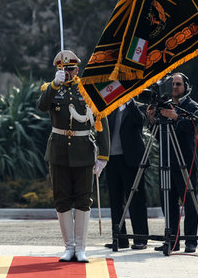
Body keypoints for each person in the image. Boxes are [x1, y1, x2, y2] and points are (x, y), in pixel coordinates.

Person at [37, 50, 110, 263]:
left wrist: (103, 155)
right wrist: (53, 86)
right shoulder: (50, 88)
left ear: (77, 69)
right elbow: (41, 106)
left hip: (83, 150)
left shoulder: (88, 89)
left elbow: (101, 121)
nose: (66, 73)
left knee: (83, 200)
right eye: (62, 69)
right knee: (62, 199)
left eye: (70, 69)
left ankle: (81, 248)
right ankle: (68, 247)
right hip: (59, 151)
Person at [147, 72, 198, 253]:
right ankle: (172, 240)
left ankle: (191, 241)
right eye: (172, 84)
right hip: (167, 162)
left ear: (185, 86)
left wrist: (176, 117)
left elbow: (192, 126)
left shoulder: (192, 106)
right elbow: (157, 135)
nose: (174, 87)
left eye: (178, 84)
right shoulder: (164, 106)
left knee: (189, 203)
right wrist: (152, 120)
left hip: (185, 162)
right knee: (167, 203)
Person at [104, 99, 149, 250]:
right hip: (112, 159)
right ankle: (119, 238)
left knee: (136, 199)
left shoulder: (139, 107)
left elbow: (140, 120)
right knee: (115, 201)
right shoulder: (111, 108)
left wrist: (130, 102)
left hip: (131, 160)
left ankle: (140, 238)